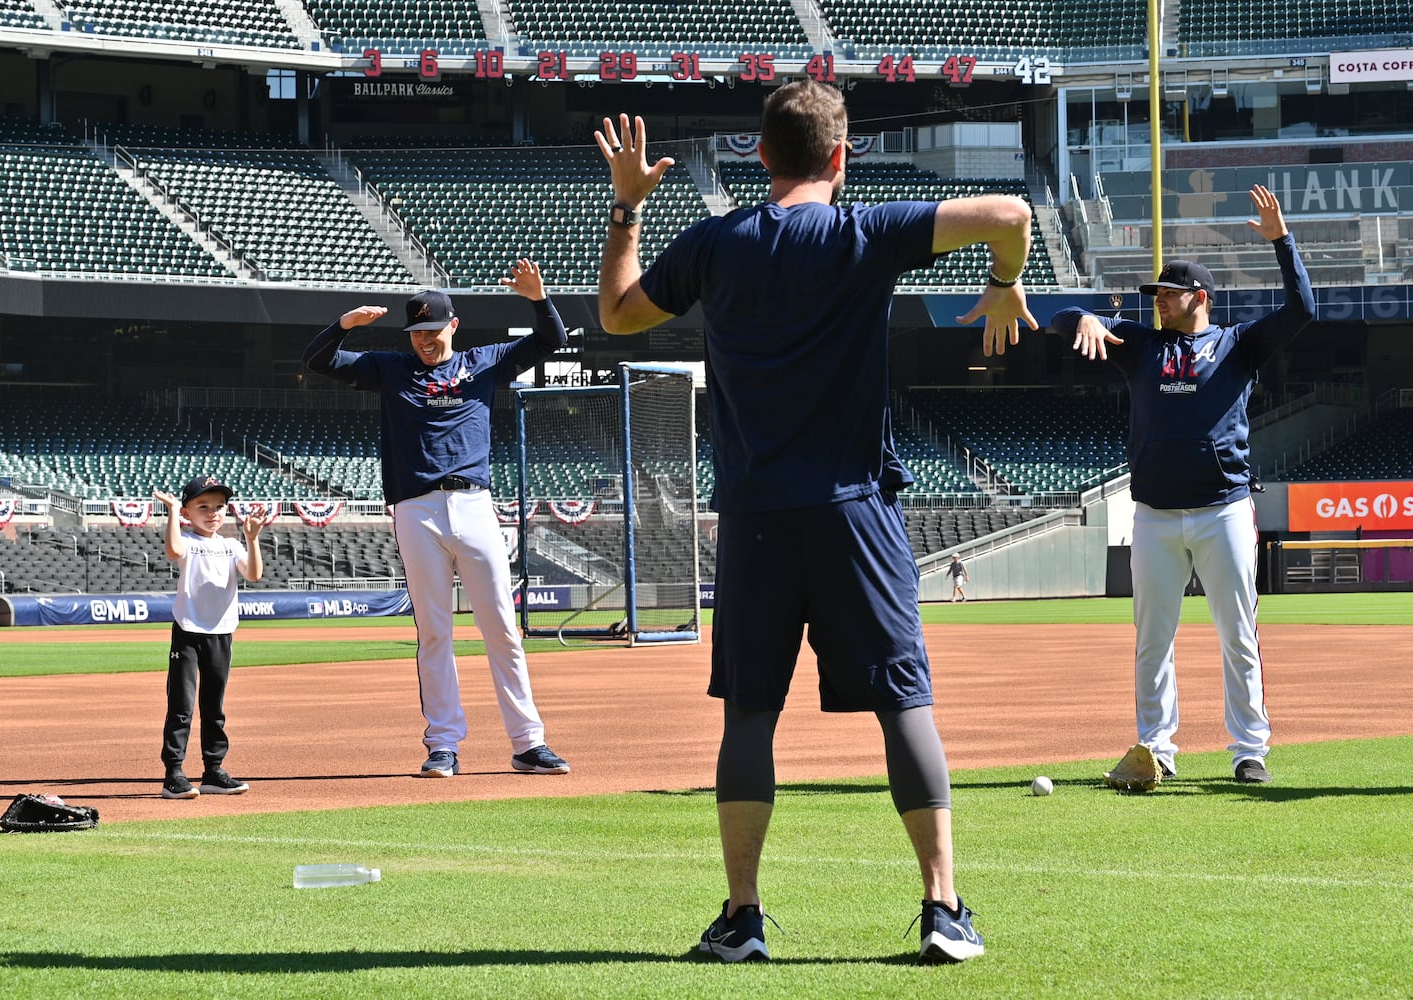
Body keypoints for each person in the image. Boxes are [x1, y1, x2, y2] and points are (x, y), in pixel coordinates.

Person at [596, 79, 1037, 963]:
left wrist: (626, 208)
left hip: (755, 517)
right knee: (903, 704)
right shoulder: (864, 230)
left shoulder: (717, 244)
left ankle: (742, 918)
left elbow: (616, 315)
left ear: (759, 156)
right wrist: (1002, 286)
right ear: (843, 157)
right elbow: (1009, 210)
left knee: (749, 716)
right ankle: (943, 909)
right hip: (855, 514)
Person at [1050, 183, 1315, 785]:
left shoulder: (1238, 344)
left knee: (1238, 636)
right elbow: (1058, 321)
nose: (1158, 302)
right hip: (1155, 515)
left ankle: (1250, 751)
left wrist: (1282, 243)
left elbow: (1303, 310)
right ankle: (1155, 750)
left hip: (1223, 510)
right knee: (1152, 642)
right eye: (1156, 295)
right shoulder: (1140, 345)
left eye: (1167, 294)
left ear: (1199, 297)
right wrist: (1085, 316)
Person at [302, 259, 570, 780]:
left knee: (502, 629)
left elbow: (550, 340)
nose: (424, 339)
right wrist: (344, 326)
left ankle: (528, 742)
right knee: (434, 632)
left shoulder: (485, 361)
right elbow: (317, 362)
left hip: (474, 505)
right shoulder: (390, 368)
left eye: (432, 329)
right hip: (416, 507)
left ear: (453, 325)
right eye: (417, 331)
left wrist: (538, 299)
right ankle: (443, 744)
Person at [151, 475, 265, 799]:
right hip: (188, 632)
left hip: (221, 633)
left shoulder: (230, 545)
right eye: (203, 506)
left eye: (219, 506)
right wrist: (172, 511)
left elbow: (254, 574)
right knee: (182, 705)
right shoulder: (188, 540)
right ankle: (174, 773)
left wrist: (252, 539)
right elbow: (173, 550)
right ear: (188, 513)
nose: (213, 512)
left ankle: (213, 771)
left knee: (214, 706)